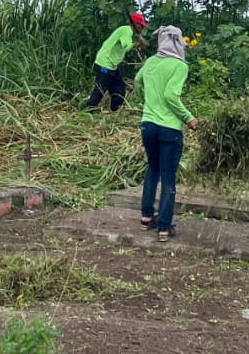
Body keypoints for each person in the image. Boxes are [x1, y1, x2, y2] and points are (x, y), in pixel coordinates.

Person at [133, 25, 198, 243]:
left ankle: (146, 216)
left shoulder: (151, 62)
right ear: (177, 43)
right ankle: (164, 227)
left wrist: (150, 99)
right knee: (168, 176)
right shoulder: (179, 66)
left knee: (153, 168)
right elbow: (171, 96)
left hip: (148, 125)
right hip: (169, 128)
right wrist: (189, 118)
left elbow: (137, 81)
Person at [82, 13, 148, 112]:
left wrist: (119, 59)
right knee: (100, 90)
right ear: (135, 24)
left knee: (119, 89)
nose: (142, 28)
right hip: (105, 64)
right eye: (141, 25)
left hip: (111, 65)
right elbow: (126, 45)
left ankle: (114, 110)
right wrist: (138, 44)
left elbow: (117, 47)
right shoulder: (127, 30)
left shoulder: (126, 31)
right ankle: (87, 109)